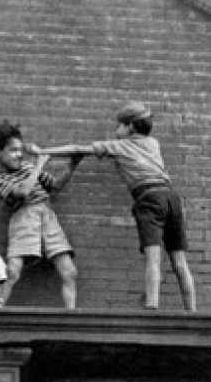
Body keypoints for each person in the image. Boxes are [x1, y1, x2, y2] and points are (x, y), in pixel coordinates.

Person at [31, 100, 196, 312]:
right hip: (171, 197)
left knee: (153, 258)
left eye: (119, 125)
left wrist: (43, 152)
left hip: (149, 198)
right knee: (179, 260)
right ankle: (192, 311)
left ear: (130, 127)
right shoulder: (153, 143)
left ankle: (152, 308)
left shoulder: (118, 146)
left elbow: (76, 149)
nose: (116, 130)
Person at [0, 120, 80, 309]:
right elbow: (23, 192)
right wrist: (39, 164)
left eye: (20, 149)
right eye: (13, 150)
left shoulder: (29, 168)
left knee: (69, 272)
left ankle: (71, 316)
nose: (19, 154)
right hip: (24, 218)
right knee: (12, 271)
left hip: (47, 215)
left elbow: (55, 186)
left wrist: (72, 165)